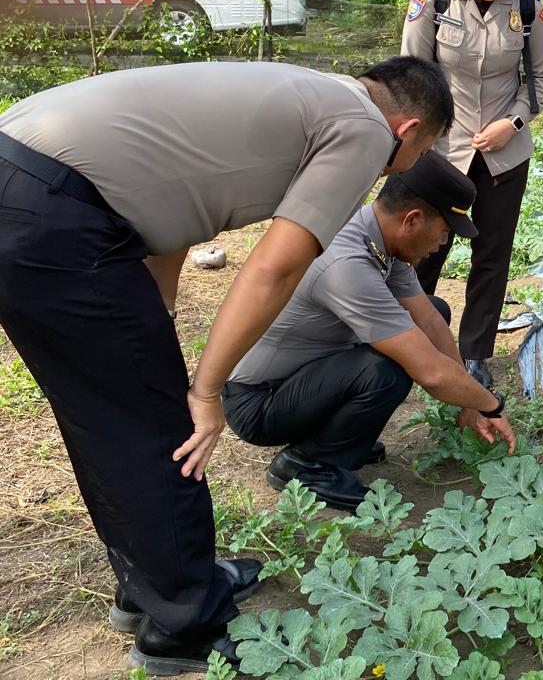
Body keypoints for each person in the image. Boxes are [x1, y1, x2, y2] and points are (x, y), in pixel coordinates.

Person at [0, 56, 451, 673]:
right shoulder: (365, 127)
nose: (399, 168)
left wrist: (156, 320)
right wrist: (208, 390)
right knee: (162, 427)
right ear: (406, 130)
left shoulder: (301, 92)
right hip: (57, 214)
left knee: (108, 418)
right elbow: (275, 266)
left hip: (28, 185)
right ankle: (183, 623)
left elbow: (176, 204)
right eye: (418, 151)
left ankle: (151, 588)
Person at [223, 152, 517, 511]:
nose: (442, 244)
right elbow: (431, 372)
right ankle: (307, 464)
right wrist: (489, 404)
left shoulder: (377, 237)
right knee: (388, 370)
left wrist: (471, 400)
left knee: (431, 312)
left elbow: (429, 321)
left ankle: (341, 439)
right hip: (259, 401)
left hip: (302, 376)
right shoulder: (349, 264)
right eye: (443, 233)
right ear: (412, 220)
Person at [401, 0, 543, 389]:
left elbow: (542, 79)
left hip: (504, 153)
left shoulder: (530, 7)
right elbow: (410, 74)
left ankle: (474, 354)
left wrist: (512, 124)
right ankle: (411, 343)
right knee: (425, 250)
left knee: (492, 252)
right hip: (441, 150)